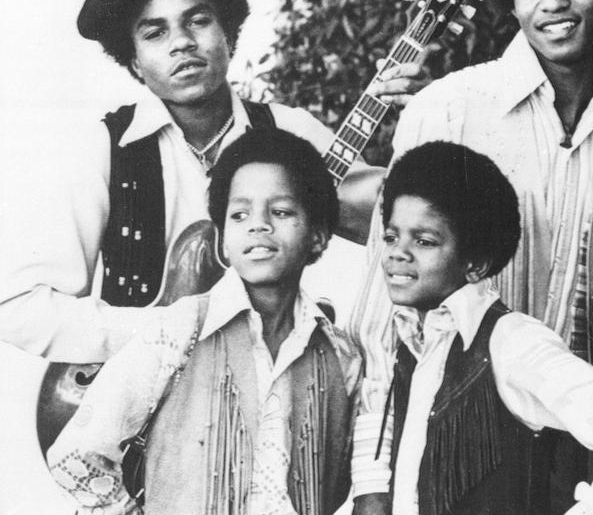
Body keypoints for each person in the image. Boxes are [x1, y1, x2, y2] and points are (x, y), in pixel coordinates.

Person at [348, 0, 593, 510]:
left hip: (585, 465)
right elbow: (385, 320)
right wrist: (372, 481)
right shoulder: (448, 110)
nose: (553, 4)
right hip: (456, 458)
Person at [0, 0, 424, 363]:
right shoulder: (105, 150)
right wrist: (161, 335)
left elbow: (395, 221)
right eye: (155, 32)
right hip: (146, 401)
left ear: (228, 30)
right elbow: (19, 307)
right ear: (133, 59)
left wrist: (422, 119)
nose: (182, 43)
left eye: (198, 20)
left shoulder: (289, 131)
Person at [47, 128, 360, 514]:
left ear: (318, 236)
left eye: (280, 211)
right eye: (240, 214)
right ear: (224, 240)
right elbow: (76, 454)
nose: (258, 224)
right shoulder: (180, 330)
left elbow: (345, 480)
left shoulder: (341, 356)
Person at [367, 141, 593, 515]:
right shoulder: (415, 339)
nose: (398, 252)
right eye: (391, 237)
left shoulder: (512, 341)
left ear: (476, 264)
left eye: (425, 241)